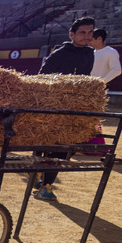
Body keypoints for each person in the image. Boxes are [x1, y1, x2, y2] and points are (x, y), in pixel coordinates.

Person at [33, 16, 96, 201]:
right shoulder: (59, 54)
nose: (87, 36)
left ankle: (45, 182)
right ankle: (40, 179)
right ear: (72, 34)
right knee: (46, 145)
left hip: (73, 109)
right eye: (83, 32)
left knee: (63, 148)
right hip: (53, 107)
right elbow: (41, 78)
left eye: (90, 32)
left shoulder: (90, 53)